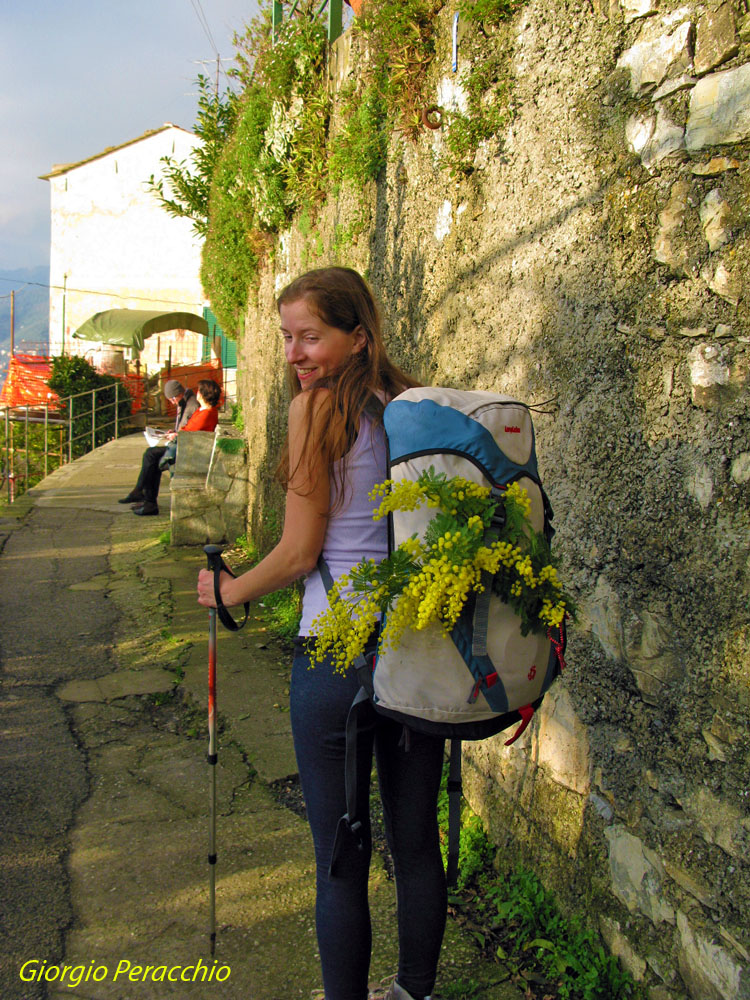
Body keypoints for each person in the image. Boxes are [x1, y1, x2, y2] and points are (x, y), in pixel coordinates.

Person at [197, 268, 446, 1000]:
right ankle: (413, 993)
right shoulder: (408, 406)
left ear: (356, 335)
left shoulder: (316, 413)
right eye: (287, 338)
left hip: (336, 659)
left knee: (340, 853)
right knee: (415, 842)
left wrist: (228, 590)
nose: (296, 353)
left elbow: (302, 554)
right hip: (414, 654)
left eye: (311, 336)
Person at [121, 378, 221, 516]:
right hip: (188, 447)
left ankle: (144, 496)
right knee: (151, 456)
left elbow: (188, 432)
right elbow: (188, 429)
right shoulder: (203, 411)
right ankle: (145, 499)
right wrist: (175, 433)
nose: (196, 393)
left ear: (203, 394)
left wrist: (176, 435)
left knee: (151, 457)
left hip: (189, 452)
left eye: (199, 391)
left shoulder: (206, 413)